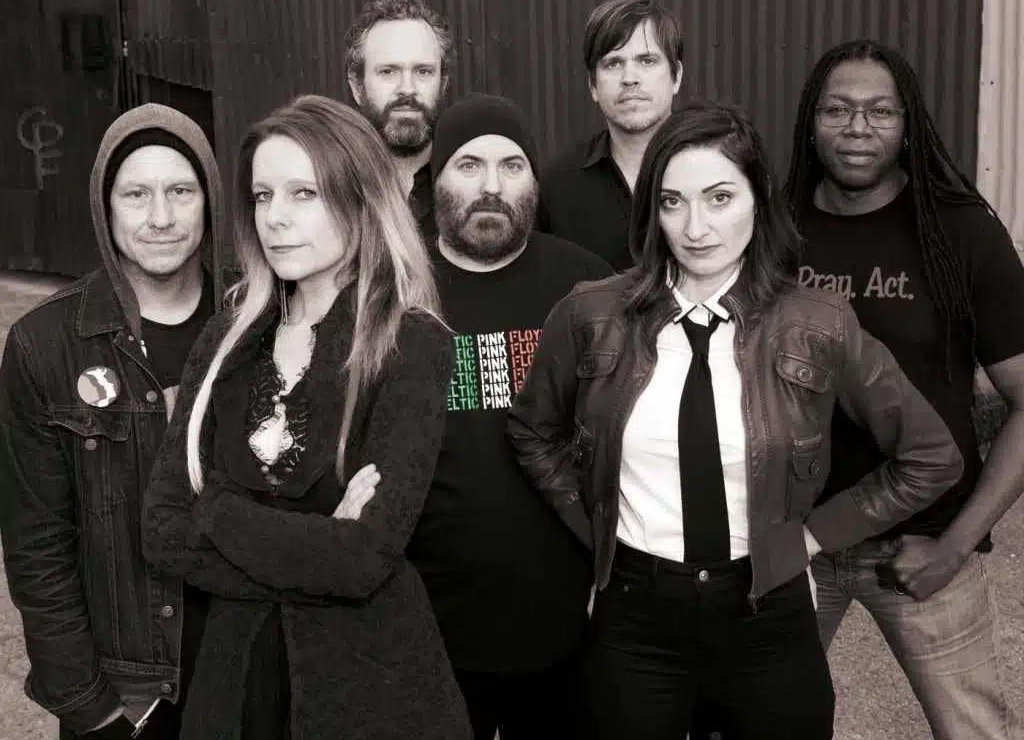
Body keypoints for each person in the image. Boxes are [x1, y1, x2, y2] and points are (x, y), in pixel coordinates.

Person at [507, 102, 965, 740]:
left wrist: (813, 538)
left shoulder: (818, 323)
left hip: (768, 614)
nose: (696, 228)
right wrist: (598, 532)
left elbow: (931, 456)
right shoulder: (591, 315)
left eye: (719, 198)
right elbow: (532, 430)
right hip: (634, 619)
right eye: (673, 202)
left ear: (759, 199)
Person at [141, 95, 471, 740]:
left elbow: (363, 559)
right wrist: (317, 540)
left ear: (361, 199)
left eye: (304, 194)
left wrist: (219, 510)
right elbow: (162, 530)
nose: (275, 218)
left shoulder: (413, 343)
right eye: (263, 196)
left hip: (368, 690)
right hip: (234, 688)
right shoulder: (227, 338)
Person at [784, 39, 1024, 739]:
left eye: (880, 111)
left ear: (908, 123)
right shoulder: (774, 229)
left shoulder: (961, 231)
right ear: (810, 122)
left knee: (974, 731)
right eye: (837, 110)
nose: (858, 128)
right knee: (749, 723)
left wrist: (955, 547)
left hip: (924, 539)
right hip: (795, 544)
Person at [0, 104, 227, 739]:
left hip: (245, 677)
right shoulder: (44, 346)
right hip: (127, 695)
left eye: (181, 191)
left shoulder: (256, 321)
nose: (161, 217)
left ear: (209, 201)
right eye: (136, 194)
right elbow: (37, 548)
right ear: (106, 208)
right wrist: (91, 709)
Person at [406, 94, 613, 740]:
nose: (491, 186)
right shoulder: (394, 289)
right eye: (469, 165)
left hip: (567, 631)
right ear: (436, 180)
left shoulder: (589, 287)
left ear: (534, 182)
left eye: (512, 165)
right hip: (429, 634)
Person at [537, 0, 683, 270]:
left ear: (676, 76)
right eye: (613, 63)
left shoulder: (722, 173)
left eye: (647, 61)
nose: (630, 78)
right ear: (593, 85)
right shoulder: (557, 188)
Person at [344, 0, 453, 236]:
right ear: (357, 87)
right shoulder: (332, 185)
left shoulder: (473, 186)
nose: (407, 89)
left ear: (443, 84)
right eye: (388, 72)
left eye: (423, 71)